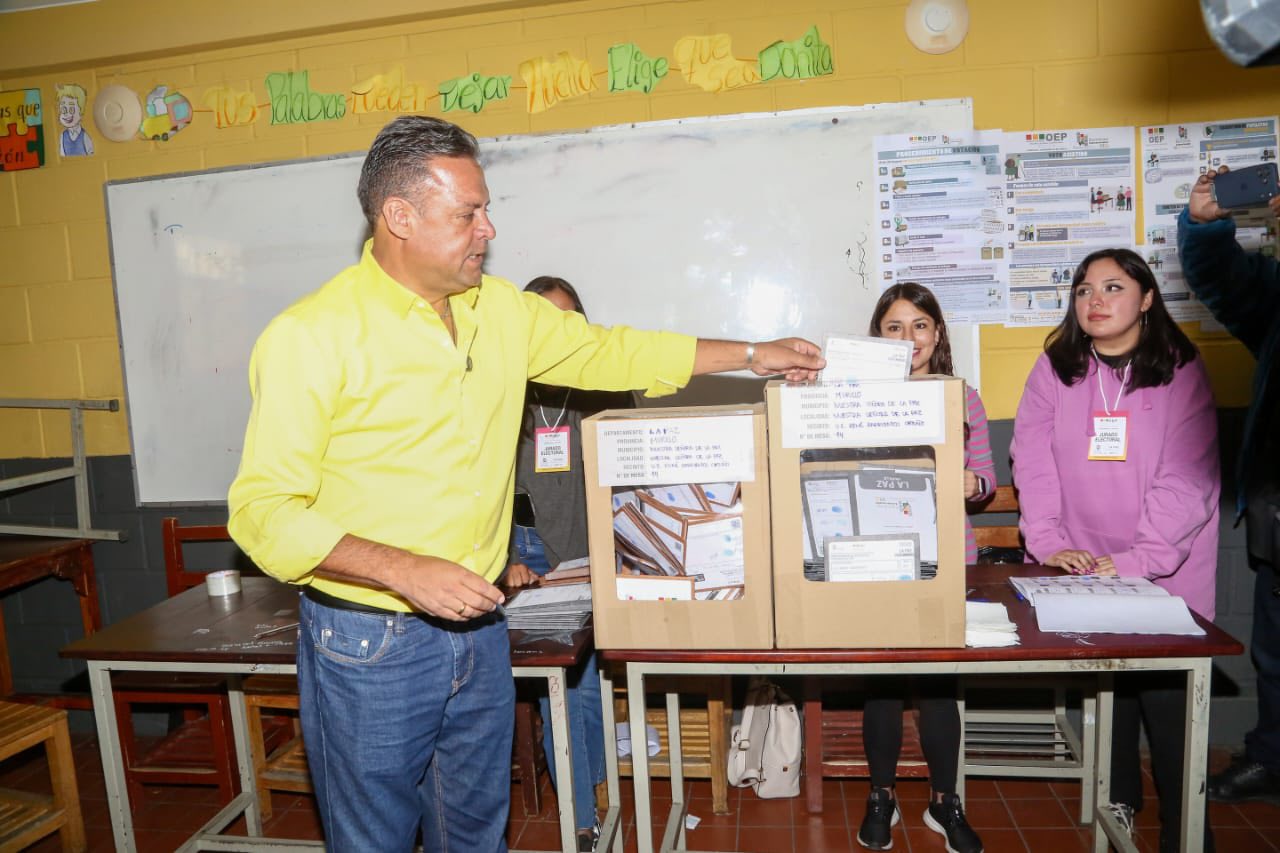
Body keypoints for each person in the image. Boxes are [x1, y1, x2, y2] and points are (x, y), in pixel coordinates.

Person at [226, 114, 824, 852]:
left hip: (479, 630)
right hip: (370, 641)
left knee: (476, 831)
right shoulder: (311, 336)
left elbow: (612, 352)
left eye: (487, 207)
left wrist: (752, 354)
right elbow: (262, 513)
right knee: (375, 839)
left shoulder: (501, 312)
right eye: (469, 212)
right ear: (399, 216)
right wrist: (404, 570)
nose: (490, 228)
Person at [1012, 248, 1219, 852]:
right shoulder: (1057, 367)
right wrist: (1048, 541)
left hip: (1165, 564)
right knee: (1112, 693)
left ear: (1147, 298)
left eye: (1112, 287)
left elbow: (1188, 478)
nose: (1094, 301)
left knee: (1169, 704)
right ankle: (1119, 809)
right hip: (1082, 561)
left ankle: (1187, 834)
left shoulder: (1181, 369)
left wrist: (1138, 559)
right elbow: (1033, 458)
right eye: (1083, 290)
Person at [855, 282, 994, 853]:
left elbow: (985, 479)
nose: (908, 337)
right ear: (877, 337)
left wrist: (974, 484)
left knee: (939, 687)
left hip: (945, 558)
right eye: (894, 326)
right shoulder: (854, 396)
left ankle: (943, 801)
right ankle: (880, 795)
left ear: (937, 334)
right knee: (881, 684)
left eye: (919, 325)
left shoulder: (965, 397)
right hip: (874, 557)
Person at [504, 276, 629, 851]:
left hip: (599, 554)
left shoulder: (603, 386)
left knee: (587, 683)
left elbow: (632, 481)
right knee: (566, 686)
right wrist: (503, 559)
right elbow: (480, 489)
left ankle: (594, 792)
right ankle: (581, 819)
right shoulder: (504, 392)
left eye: (570, 319)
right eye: (545, 319)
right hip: (528, 557)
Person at [1180, 165, 1280, 805]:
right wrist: (1203, 227)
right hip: (1278, 508)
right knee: (1273, 655)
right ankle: (1272, 757)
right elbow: (1225, 283)